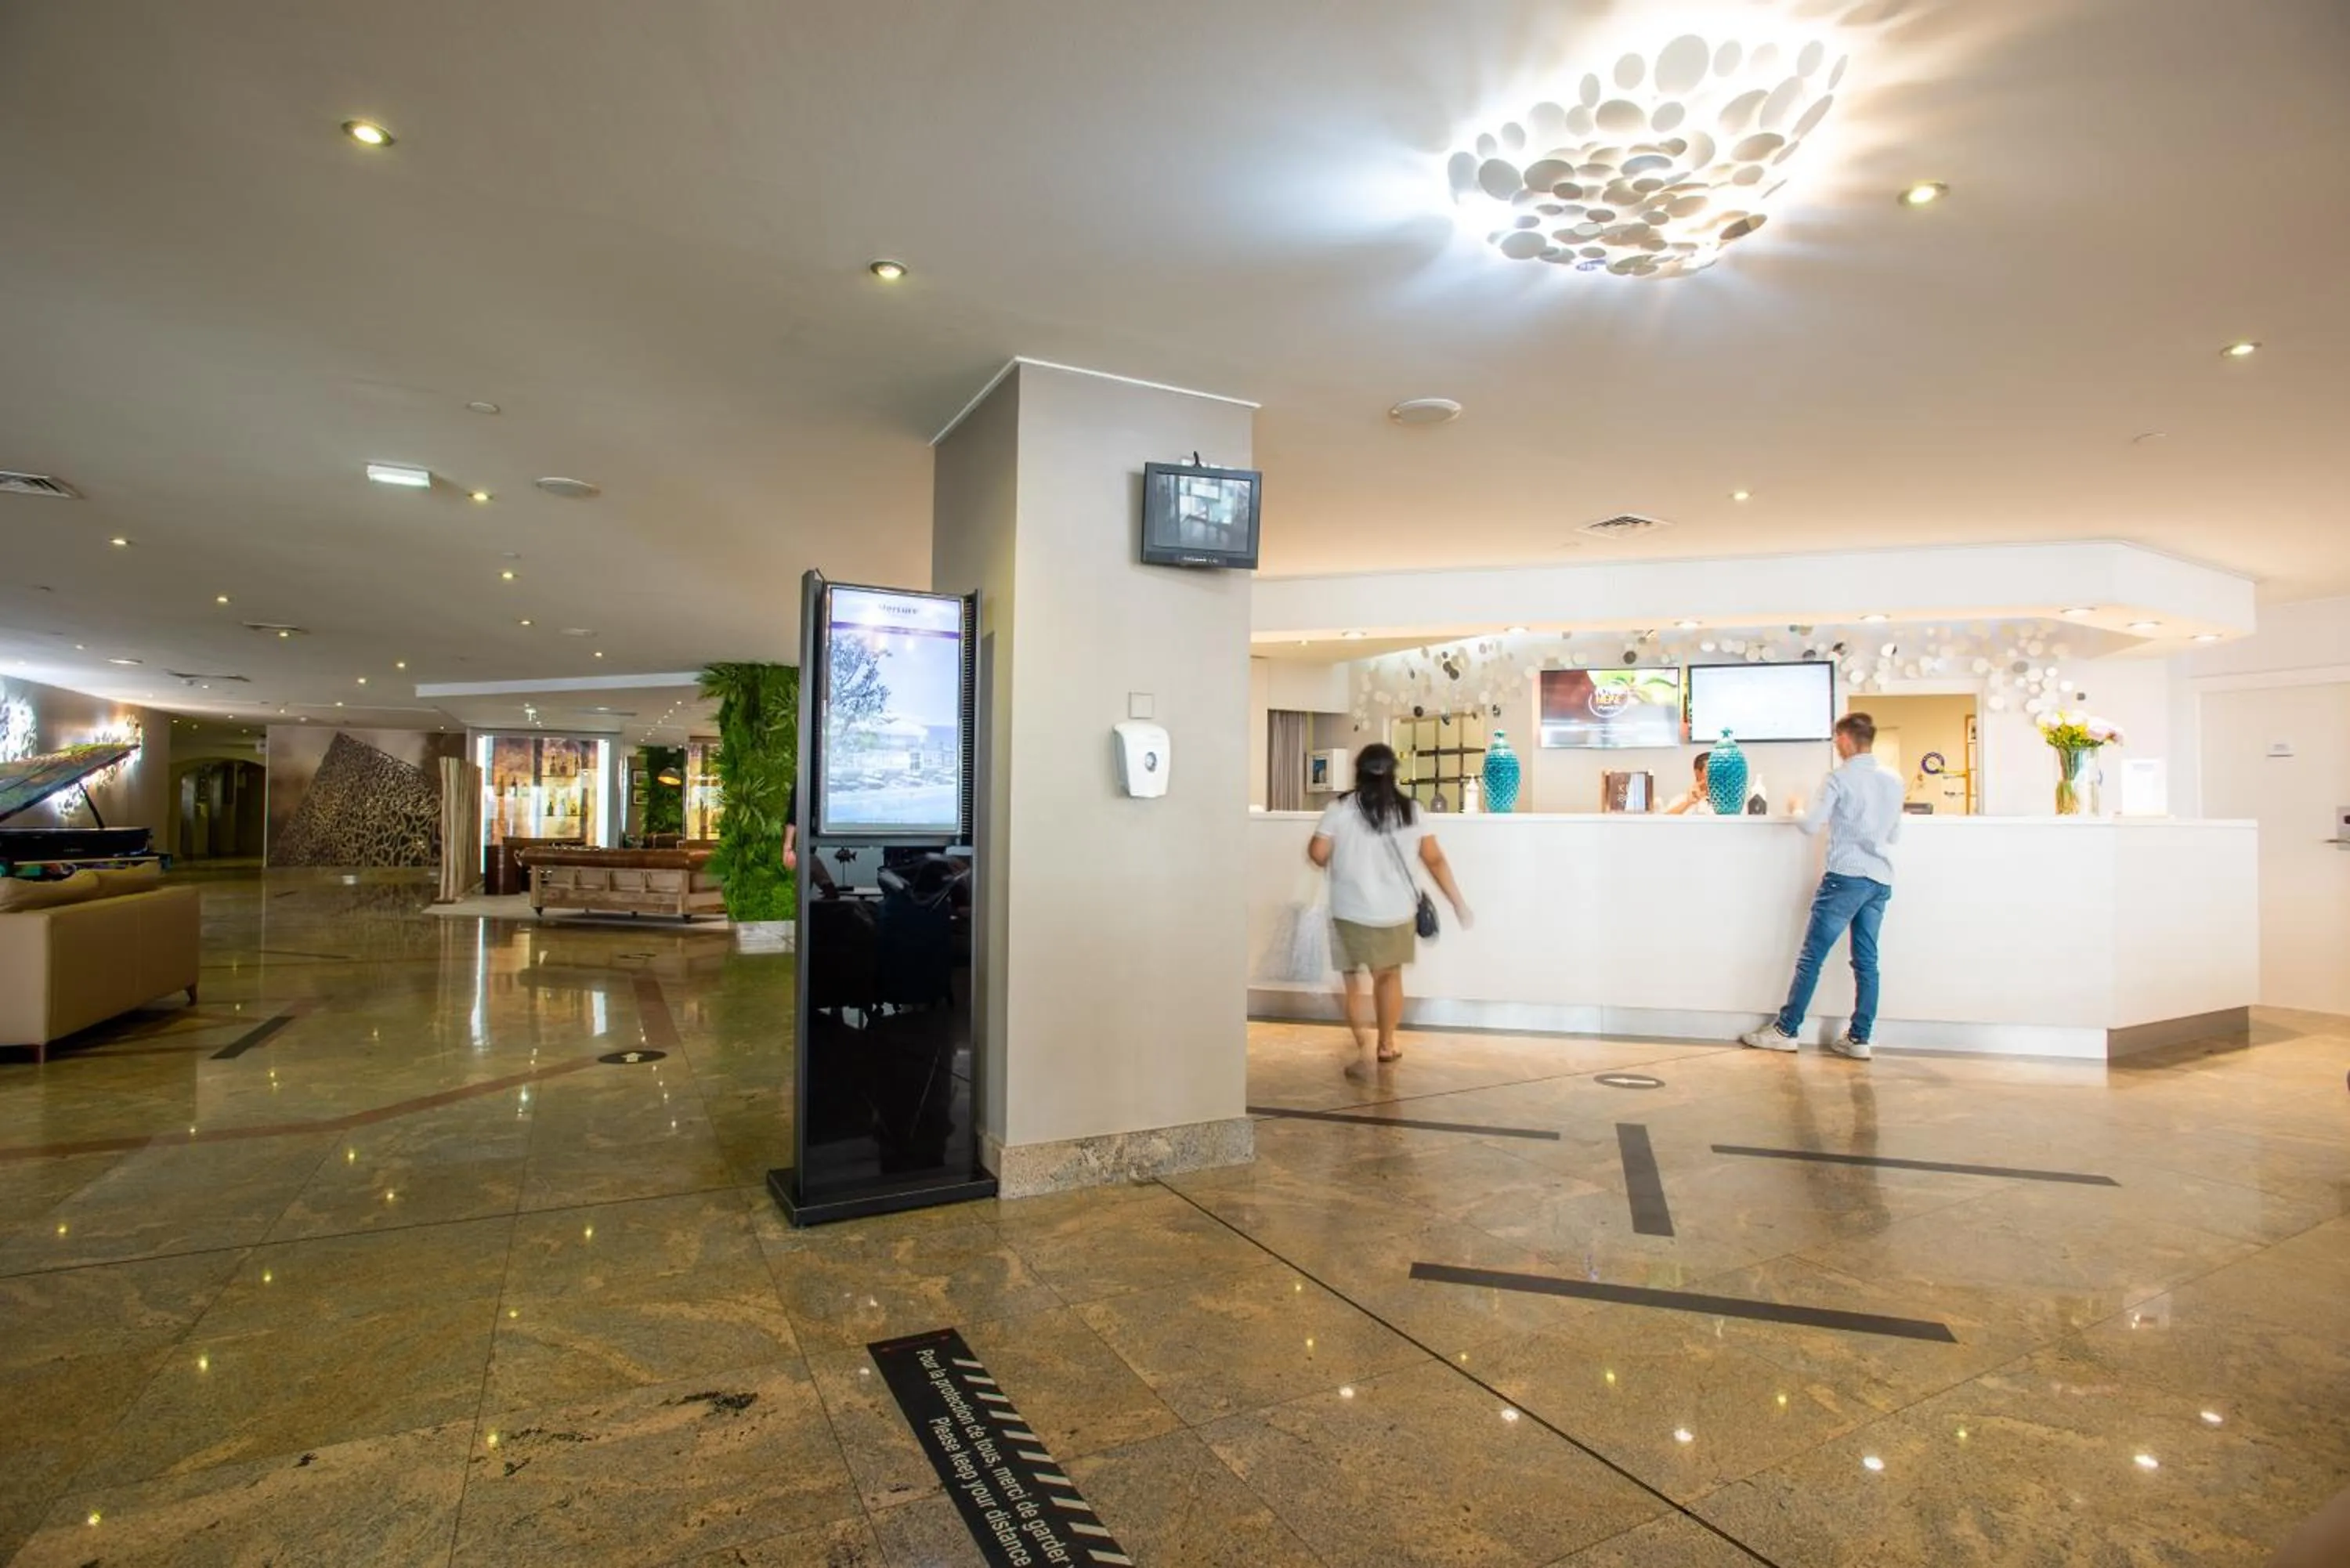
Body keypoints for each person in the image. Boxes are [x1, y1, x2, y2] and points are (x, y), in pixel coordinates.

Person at [1741, 712, 1904, 1060]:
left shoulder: (1839, 778)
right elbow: (1894, 834)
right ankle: (1859, 1038)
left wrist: (1796, 809)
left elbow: (1811, 825)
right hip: (1880, 879)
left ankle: (1786, 1030)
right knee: (1867, 962)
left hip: (1845, 877)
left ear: (1845, 739)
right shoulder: (1893, 779)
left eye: (1836, 739)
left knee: (1812, 957)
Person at [1307, 744, 1472, 1078]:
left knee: (1352, 982)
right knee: (1388, 977)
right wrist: (1457, 901)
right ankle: (1386, 1044)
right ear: (1393, 772)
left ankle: (1361, 1043)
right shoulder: (1412, 811)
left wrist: (1341, 855)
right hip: (1395, 912)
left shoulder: (1339, 809)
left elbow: (1317, 854)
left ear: (1359, 771)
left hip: (1348, 911)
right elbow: (1434, 859)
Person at [1662, 751, 1713, 815]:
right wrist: (1688, 803)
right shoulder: (1680, 800)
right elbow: (1663, 819)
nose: (1717, 775)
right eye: (1711, 771)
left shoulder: (1724, 803)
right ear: (1697, 773)